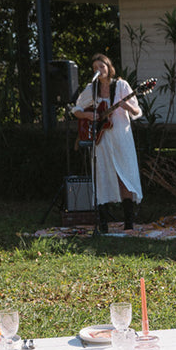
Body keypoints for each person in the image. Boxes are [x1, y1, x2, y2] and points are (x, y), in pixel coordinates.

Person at [72, 54, 143, 231]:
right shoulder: (92, 88)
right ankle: (103, 223)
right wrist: (87, 115)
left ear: (109, 67)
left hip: (121, 136)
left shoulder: (121, 85)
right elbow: (76, 109)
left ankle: (128, 222)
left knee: (124, 175)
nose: (99, 70)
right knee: (102, 174)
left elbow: (137, 111)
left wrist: (127, 107)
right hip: (101, 138)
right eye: (95, 68)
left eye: (102, 67)